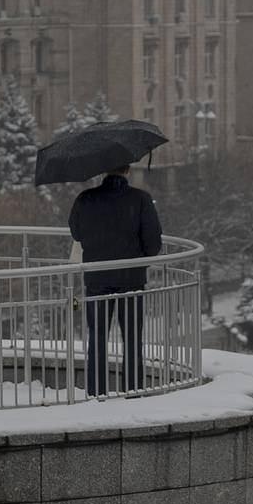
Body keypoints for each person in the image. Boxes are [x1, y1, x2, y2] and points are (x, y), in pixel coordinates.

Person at [69, 164, 163, 396]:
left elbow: (76, 233)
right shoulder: (140, 199)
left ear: (102, 171)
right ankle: (132, 390)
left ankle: (97, 392)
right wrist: (137, 258)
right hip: (131, 278)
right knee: (132, 338)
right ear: (128, 170)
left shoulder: (85, 198)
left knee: (98, 338)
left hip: (97, 277)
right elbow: (153, 242)